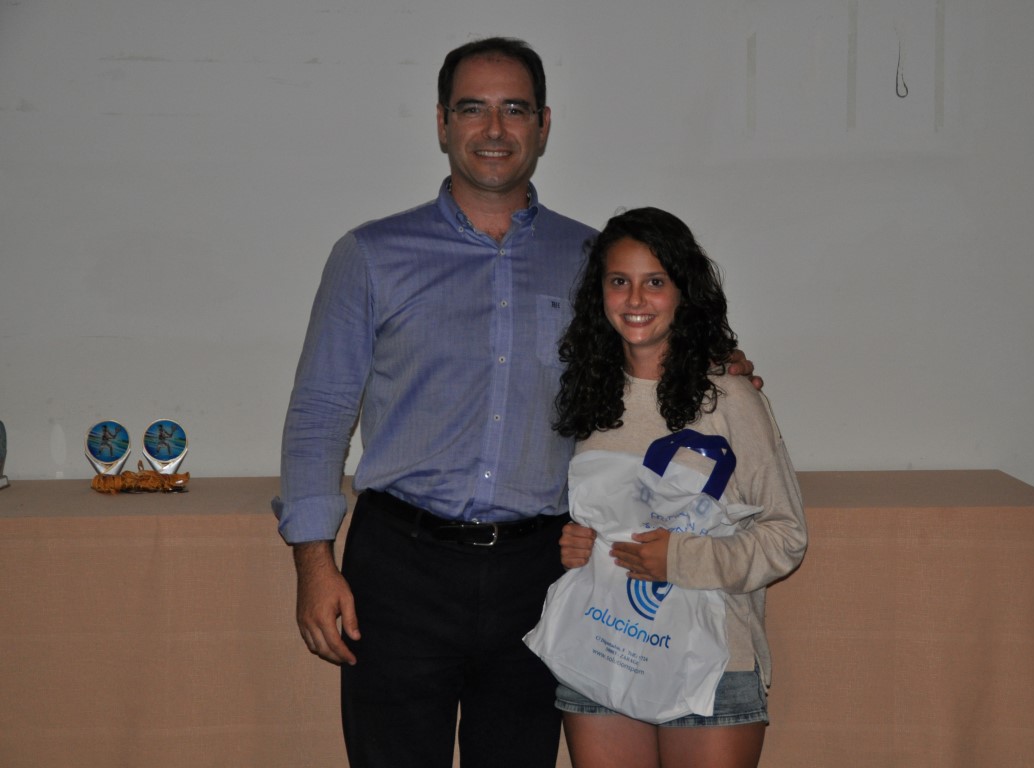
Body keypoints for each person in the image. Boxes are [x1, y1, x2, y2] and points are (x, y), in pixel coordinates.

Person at [273, 38, 758, 768]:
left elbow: (651, 359)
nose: (494, 129)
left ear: (543, 124)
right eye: (473, 108)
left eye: (515, 109)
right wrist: (314, 565)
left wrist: (720, 365)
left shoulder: (595, 262)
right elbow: (319, 414)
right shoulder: (370, 256)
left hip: (542, 571)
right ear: (442, 122)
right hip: (399, 571)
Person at [551, 207, 808, 768]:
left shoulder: (731, 397)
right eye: (619, 281)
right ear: (599, 293)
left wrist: (683, 559)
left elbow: (786, 536)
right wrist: (575, 543)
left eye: (655, 282)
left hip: (711, 663)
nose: (635, 299)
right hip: (601, 651)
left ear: (684, 292)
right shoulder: (587, 394)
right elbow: (602, 516)